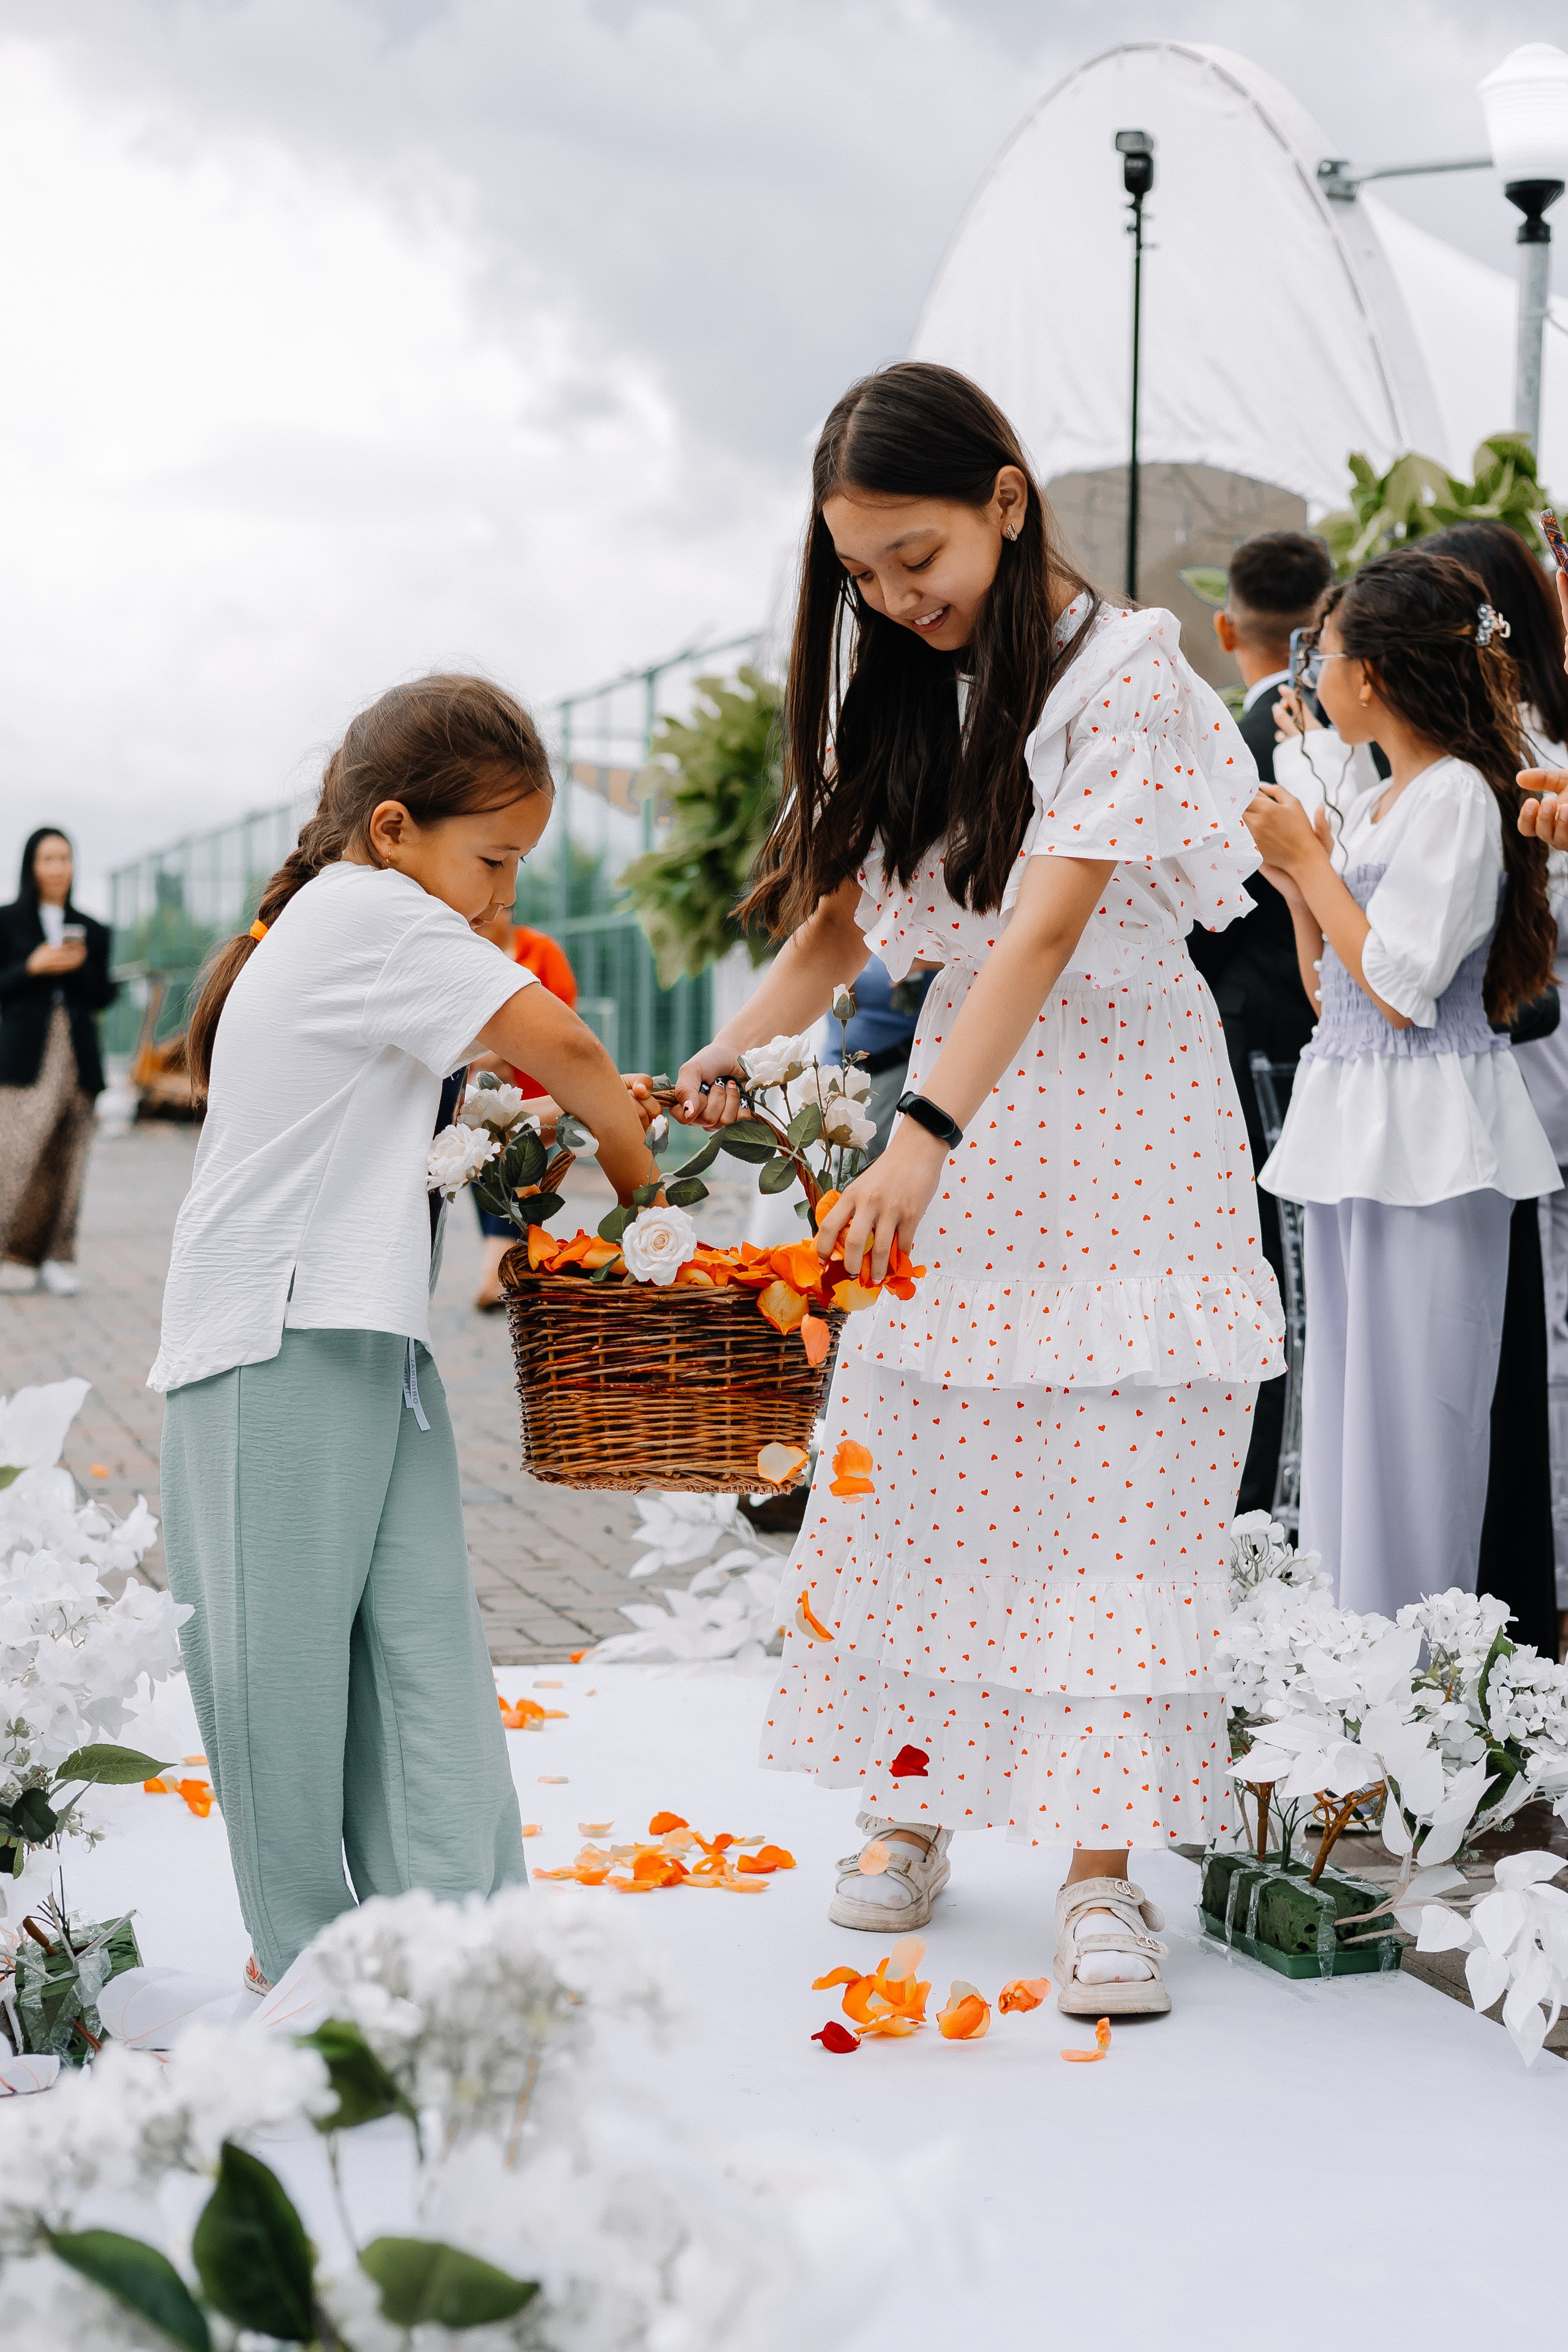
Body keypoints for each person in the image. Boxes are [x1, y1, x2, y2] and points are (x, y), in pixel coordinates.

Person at [673, 361, 1281, 2020]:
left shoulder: (1128, 673)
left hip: (1119, 1112)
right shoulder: (906, 693)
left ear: (1007, 502)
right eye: (859, 572)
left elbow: (1048, 925)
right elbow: (840, 926)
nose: (891, 596)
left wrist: (920, 1134)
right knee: (934, 1466)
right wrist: (728, 1055)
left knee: (1117, 1485)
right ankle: (914, 1800)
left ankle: (1100, 1870)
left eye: (914, 555)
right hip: (967, 1115)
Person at [151, 675, 658, 1992]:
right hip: (269, 1341)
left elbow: (458, 1097)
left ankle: (459, 1940)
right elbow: (564, 1046)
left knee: (418, 1647)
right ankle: (314, 1960)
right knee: (285, 1678)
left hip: (357, 1339)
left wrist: (573, 1119)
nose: (505, 894)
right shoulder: (368, 910)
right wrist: (649, 1202)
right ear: (392, 828)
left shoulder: (359, 920)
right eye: (492, 859)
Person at [1245, 549, 1560, 1622]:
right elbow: (1333, 994)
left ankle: (1416, 1662)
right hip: (1361, 1126)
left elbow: (1400, 992)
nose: (1314, 675)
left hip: (1432, 1138)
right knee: (1349, 1403)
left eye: (1325, 654)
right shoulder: (1383, 801)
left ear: (1370, 675)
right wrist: (1300, 884)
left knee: (1421, 1414)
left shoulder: (1458, 797)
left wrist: (1313, 867)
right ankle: (1351, 1652)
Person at [1428, 522, 1568, 1658]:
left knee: (1536, 1330)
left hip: (1526, 1065)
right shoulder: (1506, 738)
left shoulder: (1504, 751)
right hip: (1513, 1065)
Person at [1188, 532, 1333, 1513]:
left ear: (1227, 627)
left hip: (1249, 1047)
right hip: (1350, 1029)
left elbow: (1197, 913)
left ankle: (1256, 1497)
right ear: (1327, 619)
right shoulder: (1364, 733)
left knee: (1265, 1267)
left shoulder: (1221, 751)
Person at [0, 827, 118, 1295]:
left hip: (78, 1057)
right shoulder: (7, 922)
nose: (57, 868)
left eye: (64, 858)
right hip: (23, 1059)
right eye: (48, 859)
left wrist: (79, 965)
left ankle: (54, 1257)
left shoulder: (93, 928)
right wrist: (33, 966)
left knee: (67, 1157)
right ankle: (7, 1253)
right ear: (32, 865)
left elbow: (102, 995)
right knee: (13, 1155)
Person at [467, 907, 579, 1310]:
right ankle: (502, 1267)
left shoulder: (541, 951)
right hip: (478, 1091)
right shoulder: (465, 952)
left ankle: (495, 1273)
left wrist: (502, 1055)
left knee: (520, 1172)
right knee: (482, 1172)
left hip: (534, 1092)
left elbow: (562, 1021)